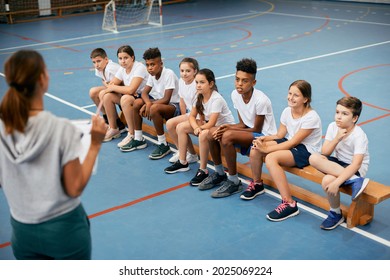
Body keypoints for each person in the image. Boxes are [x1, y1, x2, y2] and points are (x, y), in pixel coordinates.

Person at [0, 50, 106, 259]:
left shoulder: (3, 127)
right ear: (42, 79)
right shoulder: (60, 129)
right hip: (64, 229)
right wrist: (94, 144)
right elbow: (74, 187)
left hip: (22, 231)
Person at [197, 58, 277, 198]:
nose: (239, 84)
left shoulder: (261, 100)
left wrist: (230, 131)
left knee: (227, 136)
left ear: (253, 83)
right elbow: (243, 123)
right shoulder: (235, 94)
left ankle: (234, 181)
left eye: (244, 81)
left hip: (265, 136)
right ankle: (220, 173)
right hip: (249, 132)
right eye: (237, 79)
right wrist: (228, 126)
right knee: (211, 132)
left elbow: (256, 129)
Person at [249, 80, 322, 222]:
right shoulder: (287, 111)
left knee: (271, 158)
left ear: (305, 99)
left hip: (306, 150)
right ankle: (257, 184)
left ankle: (289, 203)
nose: (291, 98)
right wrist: (264, 139)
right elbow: (279, 135)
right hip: (291, 142)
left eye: (296, 95)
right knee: (255, 149)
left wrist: (268, 148)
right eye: (290, 93)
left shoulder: (312, 117)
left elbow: (293, 142)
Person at [164, 68, 235, 187]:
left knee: (202, 135)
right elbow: (191, 116)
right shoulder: (199, 96)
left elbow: (212, 123)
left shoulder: (216, 99)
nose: (198, 85)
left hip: (224, 128)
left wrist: (199, 129)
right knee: (181, 127)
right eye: (197, 82)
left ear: (211, 84)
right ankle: (183, 162)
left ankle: (203, 170)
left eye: (202, 82)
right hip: (209, 125)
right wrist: (196, 126)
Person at [309, 96, 369, 230]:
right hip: (338, 163)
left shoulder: (359, 135)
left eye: (344, 114)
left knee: (328, 181)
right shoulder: (333, 126)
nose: (339, 117)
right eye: (337, 112)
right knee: (313, 158)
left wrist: (336, 182)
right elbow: (325, 152)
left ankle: (335, 213)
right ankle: (354, 181)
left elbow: (356, 164)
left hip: (354, 168)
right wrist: (336, 139)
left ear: (354, 118)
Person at [122, 47, 180, 160]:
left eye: (152, 64)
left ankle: (163, 144)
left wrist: (149, 105)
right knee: (137, 102)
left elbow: (166, 99)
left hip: (174, 106)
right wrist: (148, 103)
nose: (150, 68)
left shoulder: (168, 74)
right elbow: (144, 93)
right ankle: (138, 138)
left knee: (154, 108)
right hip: (159, 102)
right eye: (147, 65)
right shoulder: (152, 75)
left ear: (161, 63)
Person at [99, 45, 149, 144]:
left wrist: (115, 88)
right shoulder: (122, 69)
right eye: (120, 58)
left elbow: (131, 90)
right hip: (134, 97)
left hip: (146, 98)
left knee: (125, 98)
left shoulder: (139, 68)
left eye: (126, 58)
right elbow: (111, 85)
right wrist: (114, 87)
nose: (123, 61)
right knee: (107, 95)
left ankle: (132, 134)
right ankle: (114, 128)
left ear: (132, 58)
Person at [166, 57, 200, 164]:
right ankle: (182, 151)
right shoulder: (181, 81)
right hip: (191, 114)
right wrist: (184, 115)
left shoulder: (197, 84)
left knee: (181, 127)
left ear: (195, 71)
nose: (184, 74)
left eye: (188, 71)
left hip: (200, 115)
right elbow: (182, 101)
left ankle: (192, 155)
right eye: (182, 71)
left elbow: (199, 108)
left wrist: (187, 119)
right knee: (170, 124)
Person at [89, 48, 123, 128]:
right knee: (93, 92)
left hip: (124, 93)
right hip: (114, 90)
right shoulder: (99, 69)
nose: (96, 65)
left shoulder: (111, 68)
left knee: (102, 94)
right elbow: (104, 80)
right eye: (94, 62)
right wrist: (108, 86)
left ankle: (117, 124)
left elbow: (124, 82)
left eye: (98, 61)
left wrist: (109, 87)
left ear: (106, 59)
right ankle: (107, 118)